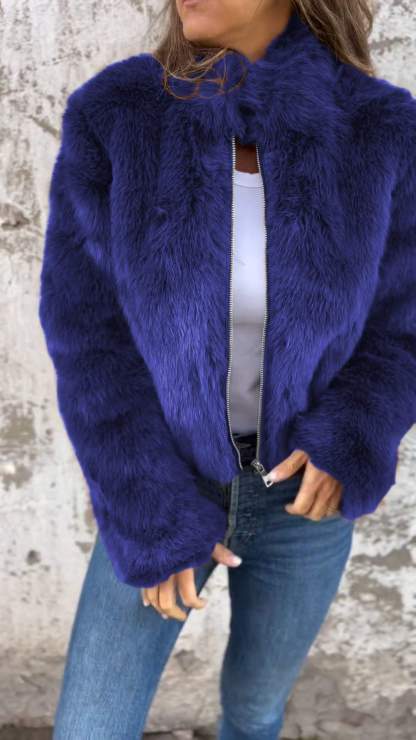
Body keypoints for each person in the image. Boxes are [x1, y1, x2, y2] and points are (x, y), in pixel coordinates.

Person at [38, 0, 416, 737]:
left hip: (304, 501)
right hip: (162, 486)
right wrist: (147, 509)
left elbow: (404, 323)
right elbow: (87, 336)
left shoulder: (383, 130)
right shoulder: (117, 116)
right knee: (90, 727)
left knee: (254, 712)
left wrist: (352, 435)